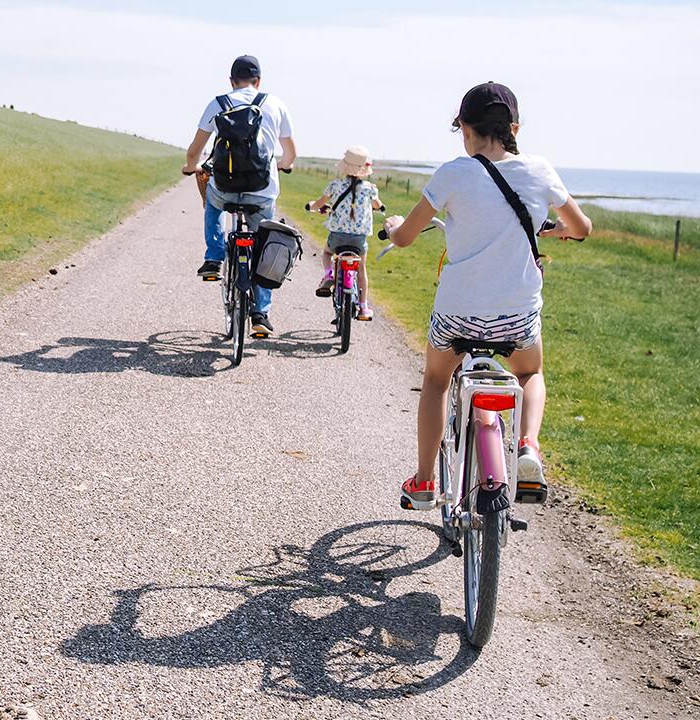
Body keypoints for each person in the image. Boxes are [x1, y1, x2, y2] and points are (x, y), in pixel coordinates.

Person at [382, 82, 592, 511]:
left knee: (438, 381)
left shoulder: (453, 174)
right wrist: (556, 229)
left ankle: (424, 482)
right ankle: (529, 447)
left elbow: (403, 238)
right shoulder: (539, 170)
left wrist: (393, 227)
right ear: (512, 127)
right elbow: (582, 227)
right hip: (516, 318)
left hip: (457, 315)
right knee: (529, 374)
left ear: (465, 128)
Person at [182, 55, 296, 337]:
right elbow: (291, 153)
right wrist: (285, 164)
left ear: (231, 81)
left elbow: (195, 149)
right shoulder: (275, 104)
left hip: (225, 185)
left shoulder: (218, 103)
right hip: (262, 190)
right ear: (258, 81)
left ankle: (214, 258)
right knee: (262, 245)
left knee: (213, 202)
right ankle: (260, 314)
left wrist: (190, 166)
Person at [306, 146, 382, 321]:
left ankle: (329, 274)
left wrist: (312, 205)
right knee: (361, 269)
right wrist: (378, 207)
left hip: (338, 237)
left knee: (326, 253)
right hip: (358, 240)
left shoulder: (335, 185)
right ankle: (363, 307)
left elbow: (319, 203)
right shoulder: (370, 189)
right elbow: (378, 205)